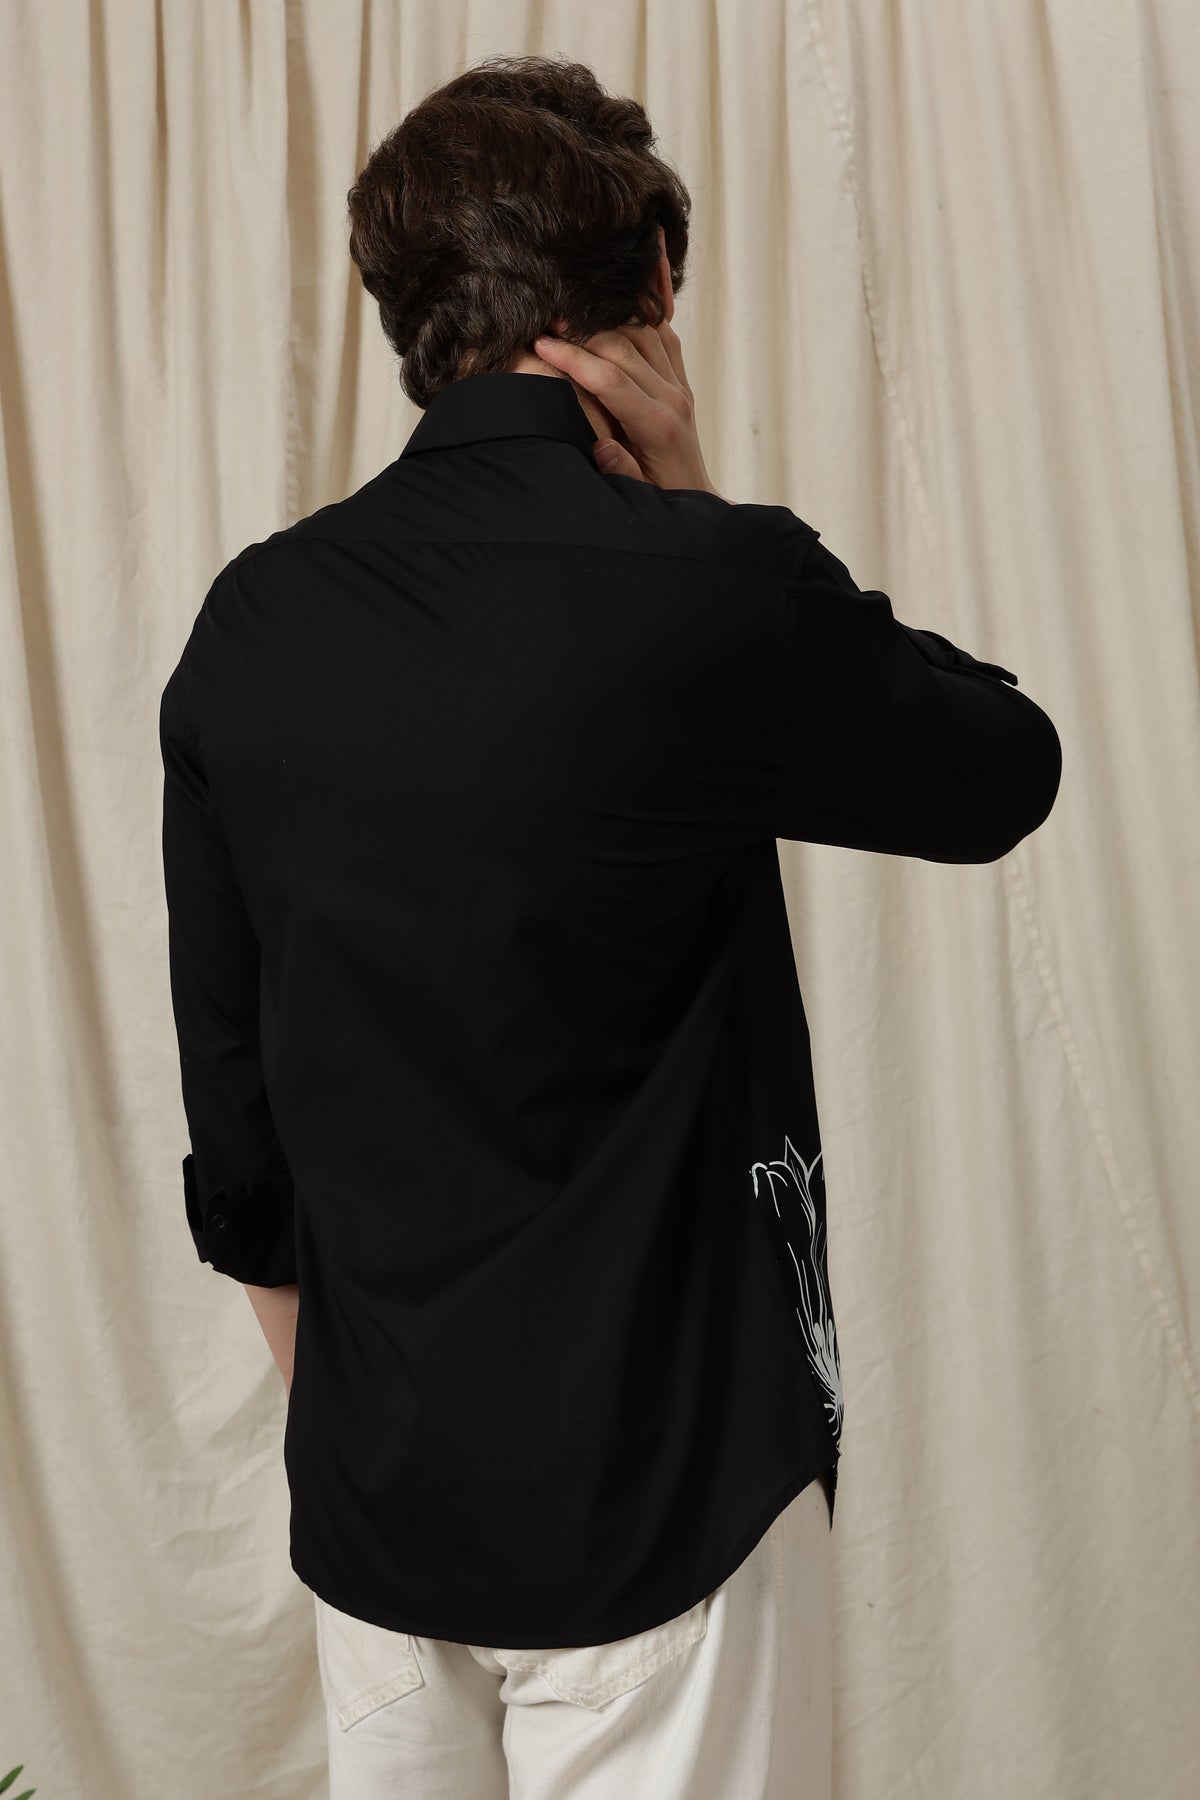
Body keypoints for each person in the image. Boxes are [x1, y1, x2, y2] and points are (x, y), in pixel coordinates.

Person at [159, 52, 1062, 1800]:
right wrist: (700, 506)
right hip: (667, 1498)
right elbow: (999, 770)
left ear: (405, 310)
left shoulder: (250, 625)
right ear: (649, 285)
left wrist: (373, 1421)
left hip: (378, 1502)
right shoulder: (702, 590)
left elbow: (236, 1121)